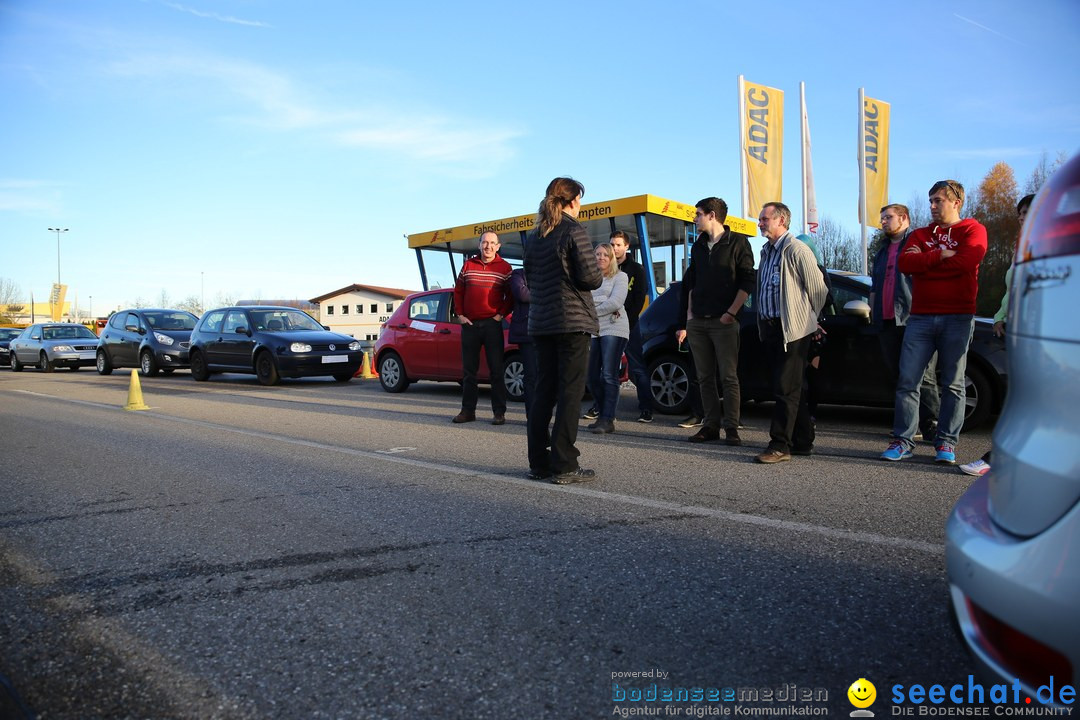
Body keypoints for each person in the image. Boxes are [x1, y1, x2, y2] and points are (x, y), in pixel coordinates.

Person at [881, 180, 987, 464]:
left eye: (938, 200)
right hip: (921, 318)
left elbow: (966, 262)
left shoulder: (972, 230)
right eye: (931, 200)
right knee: (908, 380)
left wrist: (926, 263)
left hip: (959, 317)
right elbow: (906, 265)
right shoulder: (920, 234)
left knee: (953, 383)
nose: (932, 206)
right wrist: (940, 255)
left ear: (956, 202)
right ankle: (902, 440)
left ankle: (946, 443)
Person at [524, 177, 603, 484]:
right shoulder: (573, 230)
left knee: (544, 391)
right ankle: (565, 463)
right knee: (570, 394)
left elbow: (531, 279)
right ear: (571, 202)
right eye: (579, 200)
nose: (580, 206)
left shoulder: (534, 236)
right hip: (572, 322)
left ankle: (539, 463)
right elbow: (591, 278)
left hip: (542, 322)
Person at [958, 193, 1034, 477]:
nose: (1022, 218)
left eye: (1028, 212)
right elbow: (1011, 290)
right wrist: (1001, 318)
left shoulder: (1055, 247)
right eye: (1020, 214)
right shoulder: (1022, 248)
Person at [674, 197, 756, 445]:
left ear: (712, 215)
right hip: (698, 321)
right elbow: (692, 282)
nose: (694, 218)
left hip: (725, 322)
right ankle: (710, 426)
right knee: (704, 376)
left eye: (697, 214)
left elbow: (747, 281)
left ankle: (732, 428)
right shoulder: (698, 245)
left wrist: (731, 312)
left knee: (728, 377)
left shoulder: (738, 242)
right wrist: (689, 315)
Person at [754, 202, 829, 463]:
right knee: (791, 387)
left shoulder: (796, 249)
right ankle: (803, 440)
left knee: (785, 388)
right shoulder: (766, 252)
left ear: (781, 221)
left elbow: (818, 290)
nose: (760, 222)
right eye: (761, 218)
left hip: (793, 330)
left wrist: (808, 319)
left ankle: (779, 445)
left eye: (765, 218)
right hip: (773, 329)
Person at [869, 204, 941, 441]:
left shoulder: (917, 244)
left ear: (904, 219)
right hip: (886, 321)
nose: (883, 222)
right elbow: (875, 285)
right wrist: (871, 309)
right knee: (898, 375)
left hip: (914, 319)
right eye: (882, 218)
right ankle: (909, 425)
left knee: (925, 375)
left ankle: (931, 423)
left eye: (888, 217)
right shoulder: (881, 251)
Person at [452, 231, 513, 425]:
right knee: (469, 372)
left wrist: (499, 315)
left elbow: (511, 296)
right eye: (484, 243)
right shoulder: (468, 265)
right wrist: (460, 315)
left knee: (496, 370)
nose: (488, 246)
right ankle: (468, 411)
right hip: (470, 325)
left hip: (492, 325)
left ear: (498, 246)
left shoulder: (505, 268)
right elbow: (458, 291)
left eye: (492, 243)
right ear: (479, 245)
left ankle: (499, 413)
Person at [610, 230, 654, 423]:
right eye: (612, 244)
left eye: (618, 244)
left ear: (626, 246)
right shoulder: (605, 267)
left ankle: (646, 408)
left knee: (637, 368)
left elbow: (638, 298)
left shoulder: (636, 269)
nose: (614, 248)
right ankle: (601, 408)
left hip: (629, 324)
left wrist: (627, 317)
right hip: (608, 325)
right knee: (607, 368)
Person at [586, 244, 629, 434]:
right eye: (597, 254)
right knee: (591, 375)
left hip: (614, 327)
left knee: (608, 374)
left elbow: (615, 303)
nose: (600, 257)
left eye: (605, 254)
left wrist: (591, 312)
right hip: (593, 329)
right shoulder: (589, 279)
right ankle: (602, 413)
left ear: (611, 258)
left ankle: (607, 418)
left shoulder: (620, 277)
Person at [794, 233, 833, 422]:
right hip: (796, 327)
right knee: (797, 374)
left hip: (815, 329)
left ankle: (810, 411)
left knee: (811, 375)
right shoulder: (790, 268)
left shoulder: (819, 269)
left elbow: (828, 298)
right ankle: (801, 412)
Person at [508, 267, 537, 419]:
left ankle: (543, 413)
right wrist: (546, 295)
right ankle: (532, 416)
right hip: (527, 332)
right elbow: (522, 294)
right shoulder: (518, 274)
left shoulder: (549, 271)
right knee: (531, 375)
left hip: (548, 330)